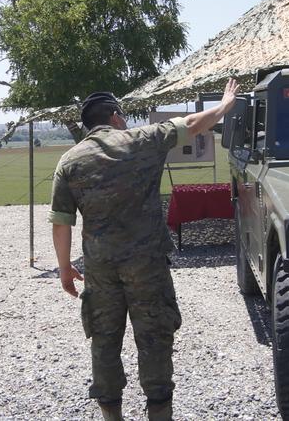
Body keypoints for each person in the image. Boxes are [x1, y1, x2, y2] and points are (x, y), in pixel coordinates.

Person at [50, 78, 238, 421]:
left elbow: (61, 222)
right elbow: (194, 124)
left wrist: (65, 269)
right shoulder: (142, 141)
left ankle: (111, 414)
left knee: (104, 340)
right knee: (153, 336)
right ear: (116, 116)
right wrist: (224, 106)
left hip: (100, 268)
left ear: (89, 124)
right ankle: (159, 413)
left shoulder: (70, 161)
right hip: (146, 264)